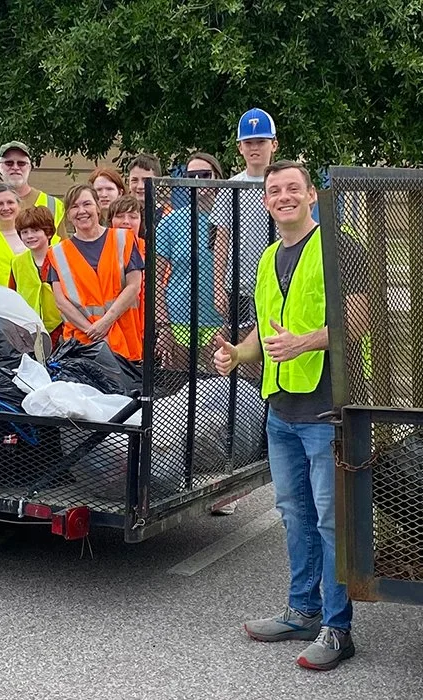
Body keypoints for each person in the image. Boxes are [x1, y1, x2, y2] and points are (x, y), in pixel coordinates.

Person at [214, 161, 367, 671]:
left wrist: (305, 341)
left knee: (329, 522)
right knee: (295, 515)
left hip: (327, 409)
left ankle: (337, 628)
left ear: (310, 195)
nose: (283, 196)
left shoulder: (339, 245)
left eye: (292, 188)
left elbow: (364, 318)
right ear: (266, 200)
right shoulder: (268, 257)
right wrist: (238, 354)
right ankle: (303, 610)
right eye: (274, 190)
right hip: (281, 408)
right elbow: (268, 330)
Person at [46, 184, 145, 362]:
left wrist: (105, 323)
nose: (81, 211)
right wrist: (93, 332)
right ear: (68, 214)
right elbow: (61, 302)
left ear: (98, 208)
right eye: (74, 206)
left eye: (87, 204)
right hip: (82, 345)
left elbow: (134, 285)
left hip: (125, 340)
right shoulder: (57, 253)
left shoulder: (123, 239)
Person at [211, 108, 280, 330]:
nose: (255, 147)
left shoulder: (284, 185)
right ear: (240, 147)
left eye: (261, 141)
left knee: (275, 338)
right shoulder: (230, 188)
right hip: (238, 285)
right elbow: (221, 239)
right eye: (248, 142)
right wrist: (218, 286)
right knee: (242, 343)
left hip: (279, 280)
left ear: (274, 144)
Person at [154, 153, 225, 367]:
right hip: (179, 318)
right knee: (179, 389)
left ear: (217, 177)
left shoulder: (231, 219)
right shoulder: (171, 222)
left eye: (204, 174)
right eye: (191, 175)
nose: (198, 180)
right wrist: (164, 326)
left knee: (218, 387)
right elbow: (156, 279)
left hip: (219, 319)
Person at [0, 141, 66, 234]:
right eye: (9, 163)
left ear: (30, 167)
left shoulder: (53, 205)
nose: (15, 167)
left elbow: (63, 247)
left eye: (21, 163)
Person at [10, 206, 63, 345]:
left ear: (49, 233)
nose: (30, 236)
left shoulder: (63, 258)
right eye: (24, 232)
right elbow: (12, 295)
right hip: (28, 329)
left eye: (35, 230)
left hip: (61, 328)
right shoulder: (17, 262)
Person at [108, 195, 147, 333]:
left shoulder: (150, 252)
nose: (126, 221)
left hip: (145, 330)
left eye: (133, 217)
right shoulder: (102, 252)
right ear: (111, 221)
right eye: (119, 216)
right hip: (112, 329)